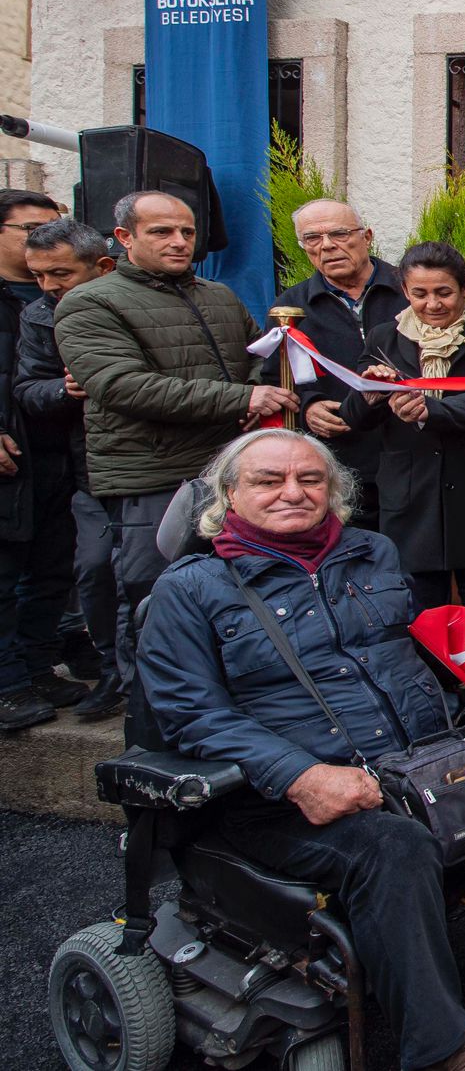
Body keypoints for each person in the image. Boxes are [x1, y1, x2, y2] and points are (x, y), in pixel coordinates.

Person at [137, 430, 465, 1071]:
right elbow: (192, 715)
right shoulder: (190, 589)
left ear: (334, 491)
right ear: (228, 496)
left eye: (310, 479)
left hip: (414, 762)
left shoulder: (372, 552)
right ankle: (438, 1050)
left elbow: (415, 652)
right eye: (269, 480)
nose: (292, 492)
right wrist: (302, 776)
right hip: (278, 799)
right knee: (395, 845)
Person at [55, 191, 285, 694]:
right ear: (124, 238)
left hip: (227, 471)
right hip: (153, 476)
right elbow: (121, 385)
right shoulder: (90, 302)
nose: (179, 242)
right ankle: (152, 715)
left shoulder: (217, 294)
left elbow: (254, 360)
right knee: (153, 598)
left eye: (186, 231)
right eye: (161, 232)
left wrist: (255, 395)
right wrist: (241, 400)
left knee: (235, 595)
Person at [337, 242, 465, 614]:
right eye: (420, 294)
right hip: (411, 498)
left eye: (444, 292)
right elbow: (353, 419)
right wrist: (373, 392)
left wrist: (430, 411)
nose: (432, 305)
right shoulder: (385, 337)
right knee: (419, 611)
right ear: (405, 292)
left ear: (464, 289)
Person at [17, 218, 119, 720]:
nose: (48, 286)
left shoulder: (143, 299)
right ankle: (113, 671)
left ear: (101, 266)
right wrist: (63, 391)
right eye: (38, 275)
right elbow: (28, 389)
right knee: (94, 570)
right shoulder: (38, 317)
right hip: (88, 470)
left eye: (60, 273)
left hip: (163, 463)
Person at [278, 200, 407, 532]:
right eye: (312, 238)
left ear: (367, 236)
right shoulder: (291, 307)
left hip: (411, 455)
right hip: (342, 464)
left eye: (339, 233)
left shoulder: (411, 292)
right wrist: (308, 405)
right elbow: (277, 377)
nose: (327, 246)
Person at [0, 189, 70, 728]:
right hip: (8, 451)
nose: (44, 237)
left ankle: (38, 664)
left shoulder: (62, 295)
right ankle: (7, 684)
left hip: (58, 450)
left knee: (50, 569)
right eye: (29, 229)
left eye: (54, 225)